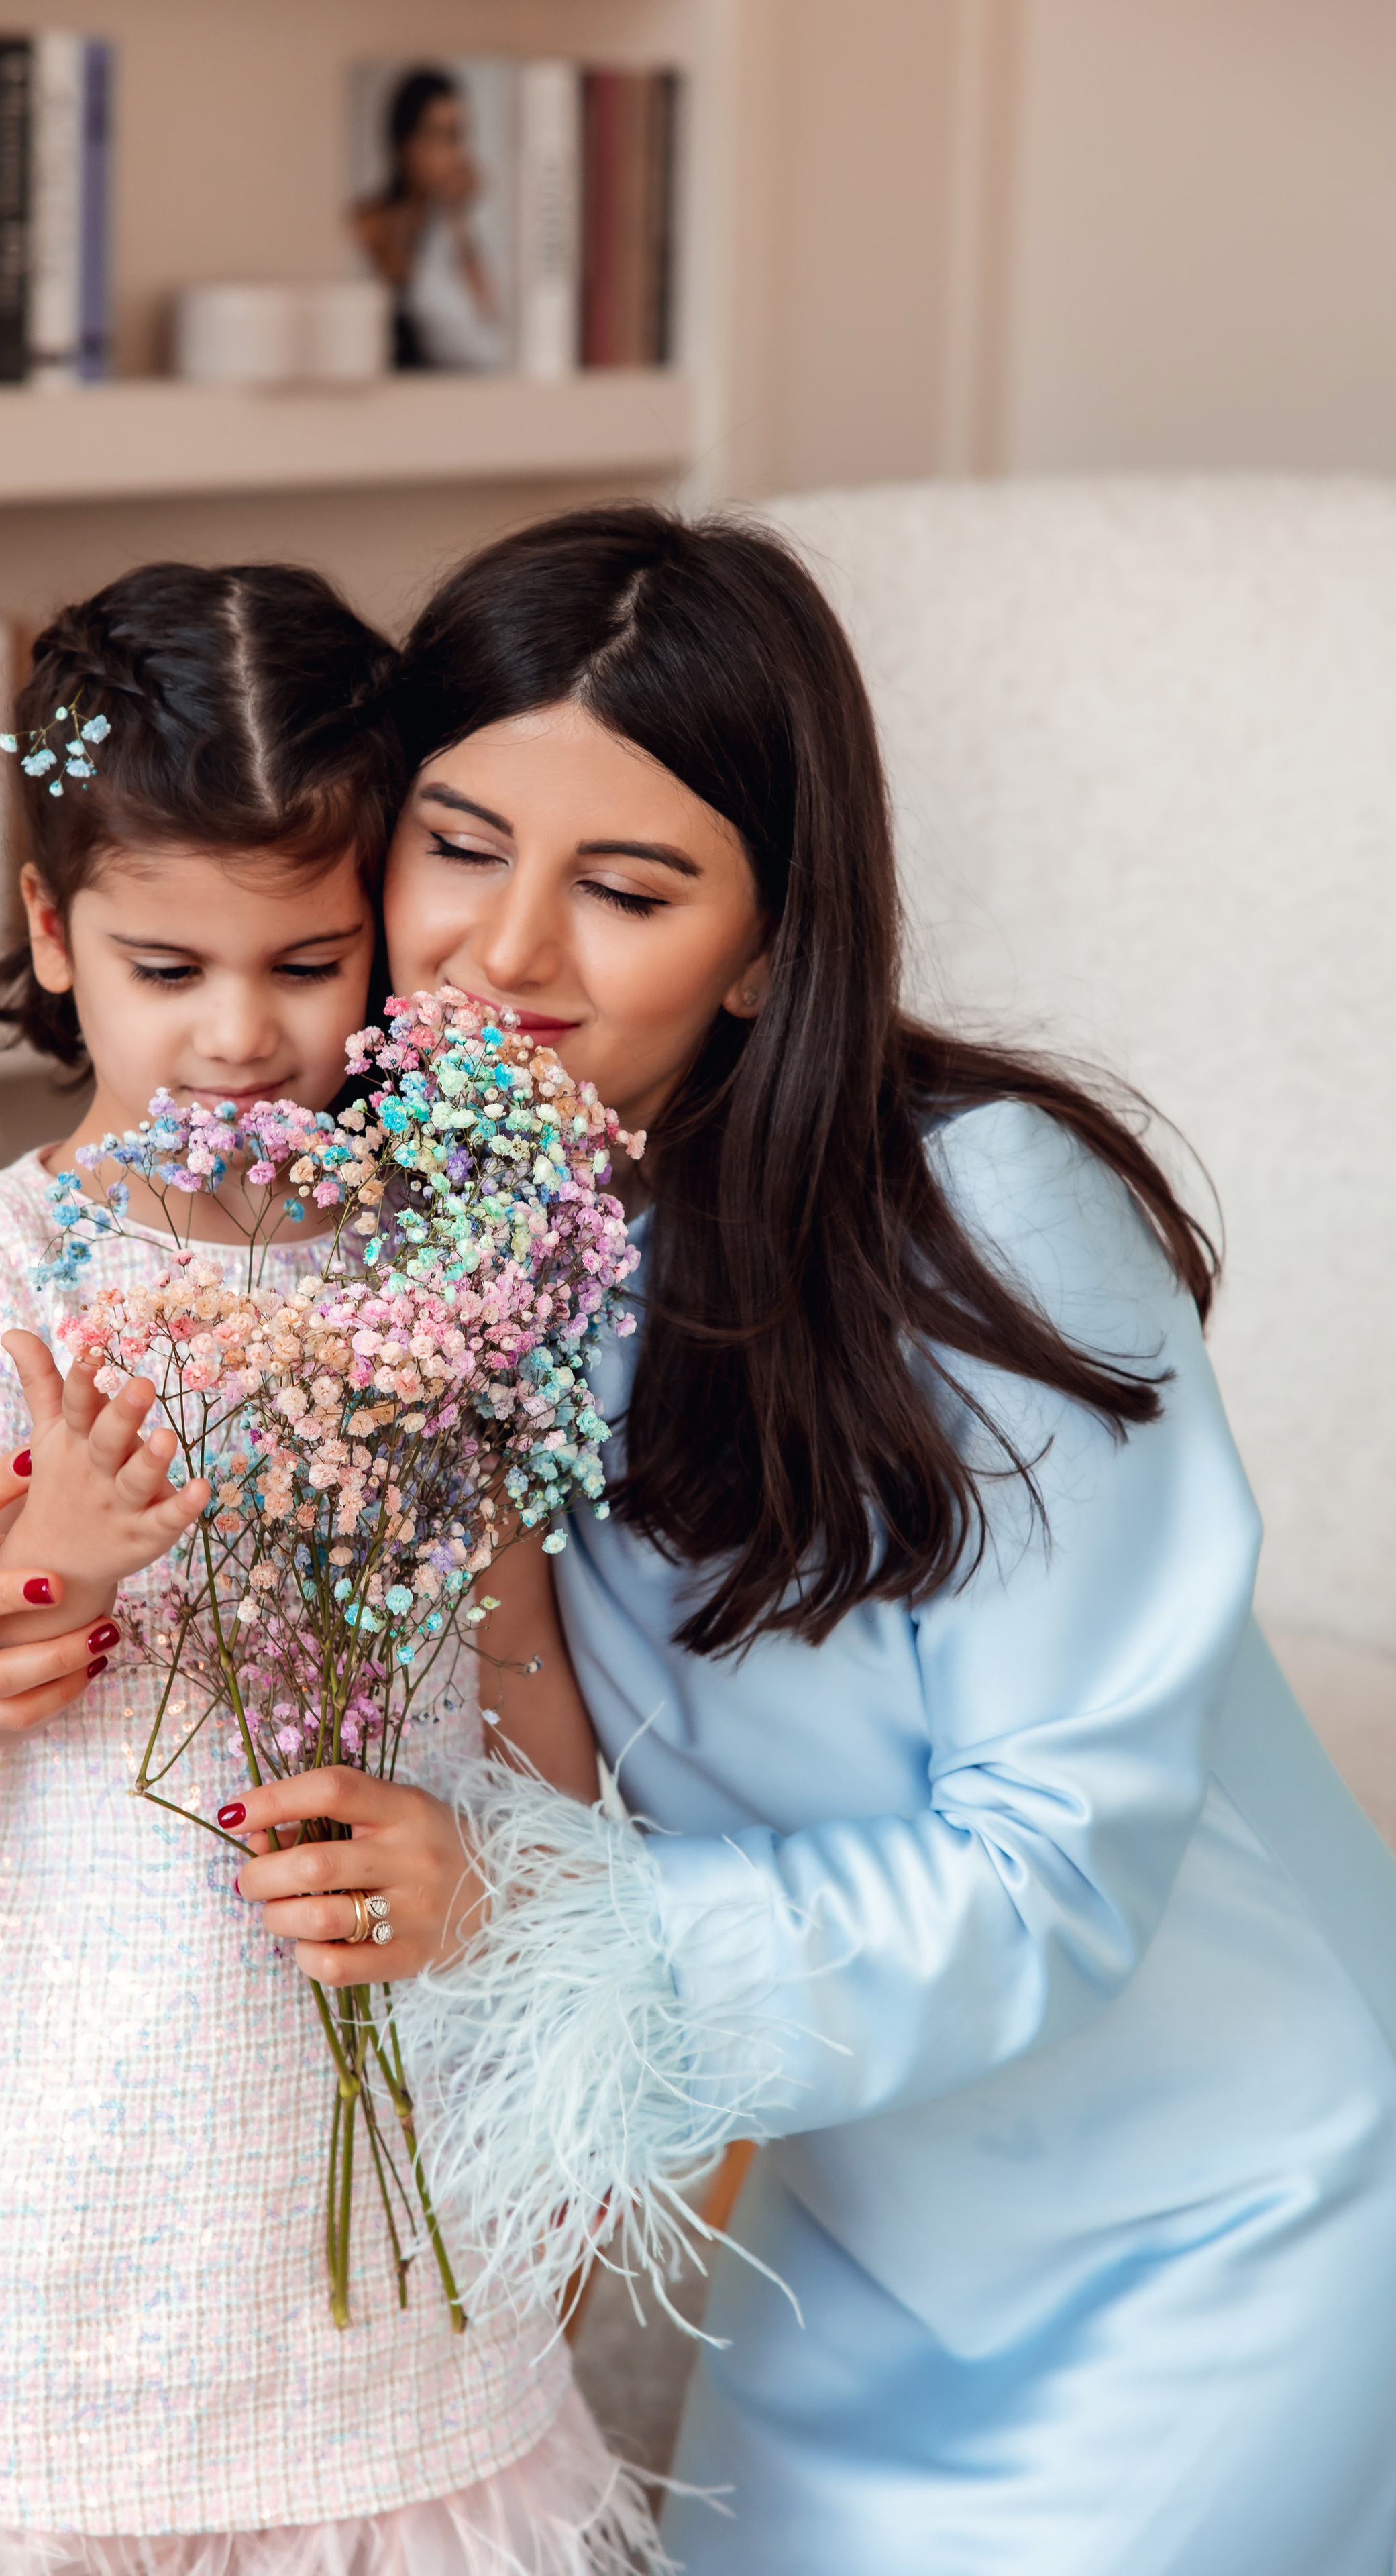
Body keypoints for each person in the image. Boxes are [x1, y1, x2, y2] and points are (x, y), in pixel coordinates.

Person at [221, 506, 1396, 2575]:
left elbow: (1052, 1867)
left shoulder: (985, 1217)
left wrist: (537, 1919)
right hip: (861, 2226)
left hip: (1238, 2211)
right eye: (459, 844)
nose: (506, 952)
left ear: (767, 943)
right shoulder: (421, 1239)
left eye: (629, 888)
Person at [0, 560, 653, 2576]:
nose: (237, 1033)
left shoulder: (444, 1254)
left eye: (306, 962)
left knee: (371, 2463)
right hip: (50, 2081)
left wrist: (562, 1984)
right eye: (165, 965)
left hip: (354, 2034)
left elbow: (519, 1652)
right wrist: (63, 1545)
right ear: (55, 933)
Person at [351, 68, 506, 372]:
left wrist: (460, 219)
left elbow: (490, 332)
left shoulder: (455, 225)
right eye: (445, 137)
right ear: (406, 144)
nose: (458, 153)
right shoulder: (369, 222)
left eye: (461, 136)